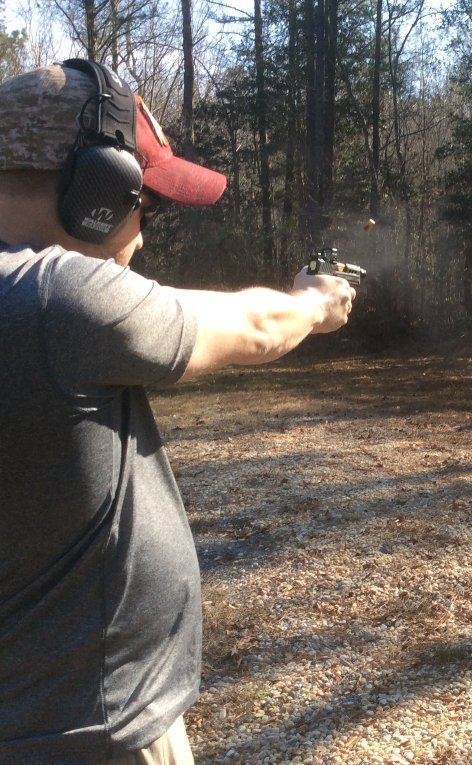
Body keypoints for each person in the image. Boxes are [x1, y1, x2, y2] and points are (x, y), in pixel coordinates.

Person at [0, 60, 356, 764]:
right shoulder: (54, 300)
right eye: (146, 201)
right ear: (95, 188)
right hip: (88, 730)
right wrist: (317, 302)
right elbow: (257, 326)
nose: (147, 229)